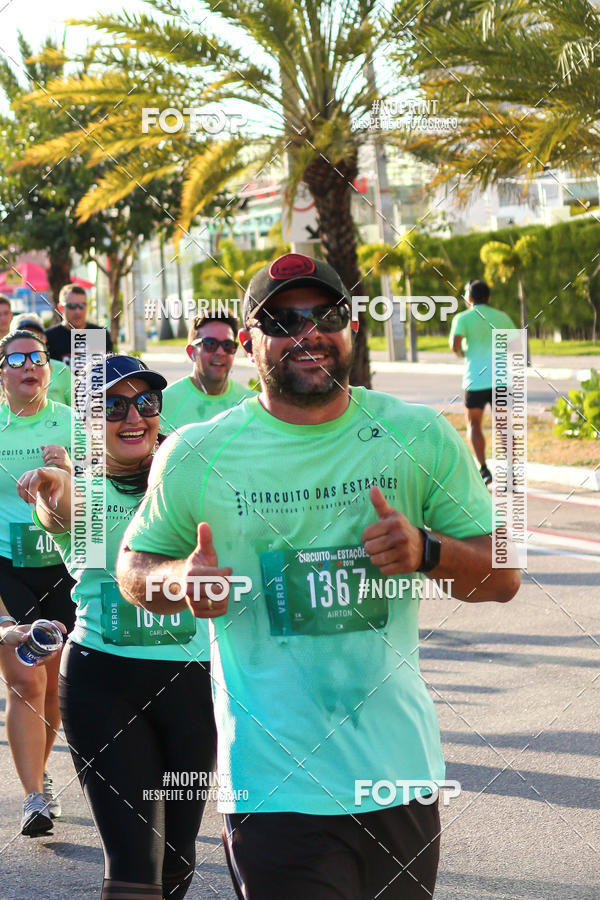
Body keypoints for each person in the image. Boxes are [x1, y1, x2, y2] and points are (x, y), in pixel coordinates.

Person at [117, 253, 520, 900]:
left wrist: (428, 551)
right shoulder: (195, 452)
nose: (308, 332)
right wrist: (176, 582)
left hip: (400, 778)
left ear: (352, 325)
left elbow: (501, 577)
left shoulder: (415, 434)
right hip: (275, 786)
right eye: (282, 319)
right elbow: (133, 566)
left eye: (325, 314)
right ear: (249, 343)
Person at [18, 354, 216, 900]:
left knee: (177, 857)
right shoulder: (78, 492)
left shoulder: (189, 482)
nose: (133, 416)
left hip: (192, 687)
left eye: (145, 402)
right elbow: (63, 505)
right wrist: (51, 485)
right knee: (133, 863)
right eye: (112, 405)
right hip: (101, 685)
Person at [0, 329, 74, 836]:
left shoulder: (72, 424)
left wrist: (67, 471)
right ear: (1, 372)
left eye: (39, 358)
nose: (30, 365)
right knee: (26, 679)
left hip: (64, 569)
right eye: (17, 359)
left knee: (52, 688)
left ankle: (41, 769)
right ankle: (33, 798)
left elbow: (99, 501)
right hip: (8, 565)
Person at [449, 279, 516, 485]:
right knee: (504, 425)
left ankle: (484, 470)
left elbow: (455, 344)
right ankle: (512, 471)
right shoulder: (502, 317)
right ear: (488, 297)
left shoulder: (462, 318)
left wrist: (462, 353)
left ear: (469, 298)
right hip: (501, 378)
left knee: (474, 424)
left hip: (475, 380)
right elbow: (515, 344)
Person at [160, 312, 254, 433]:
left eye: (227, 345)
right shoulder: (164, 403)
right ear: (191, 352)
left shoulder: (250, 402)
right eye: (210, 344)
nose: (220, 352)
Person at [45, 284, 113, 367]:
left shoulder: (100, 334)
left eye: (82, 306)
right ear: (61, 308)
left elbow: (110, 370)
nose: (78, 311)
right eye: (72, 306)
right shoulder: (49, 338)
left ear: (87, 307)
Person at [13, 313, 71, 406]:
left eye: (34, 336)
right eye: (23, 336)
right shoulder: (5, 370)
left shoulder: (62, 369)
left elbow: (76, 409)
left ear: (44, 339)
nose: (29, 342)